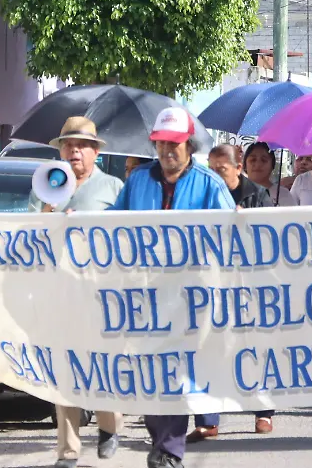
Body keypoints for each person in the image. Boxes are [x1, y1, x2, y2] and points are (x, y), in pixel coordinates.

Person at [109, 107, 235, 468]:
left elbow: (233, 237)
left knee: (177, 369)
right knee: (150, 372)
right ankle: (160, 440)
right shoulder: (137, 182)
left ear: (189, 146)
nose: (167, 151)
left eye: (174, 144)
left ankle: (169, 449)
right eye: (161, 144)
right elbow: (112, 225)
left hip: (190, 298)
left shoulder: (209, 184)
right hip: (145, 294)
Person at [41, 118, 124, 467]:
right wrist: (48, 216)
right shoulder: (46, 185)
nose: (74, 150)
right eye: (67, 144)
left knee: (104, 365)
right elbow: (25, 235)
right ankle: (69, 450)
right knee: (65, 369)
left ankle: (109, 426)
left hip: (102, 293)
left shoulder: (114, 187)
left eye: (81, 145)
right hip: (60, 293)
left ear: (95, 151)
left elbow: (129, 237)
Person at [189, 145, 278, 441]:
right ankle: (207, 419)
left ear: (237, 168)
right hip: (211, 283)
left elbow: (269, 238)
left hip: (250, 284)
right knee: (208, 347)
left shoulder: (257, 196)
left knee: (254, 347)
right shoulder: (201, 196)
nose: (214, 175)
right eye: (210, 169)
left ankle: (263, 412)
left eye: (221, 170)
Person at [243, 142, 295, 206]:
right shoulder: (236, 193)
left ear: (272, 166)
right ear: (245, 165)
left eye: (264, 160)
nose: (258, 164)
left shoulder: (283, 194)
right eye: (253, 160)